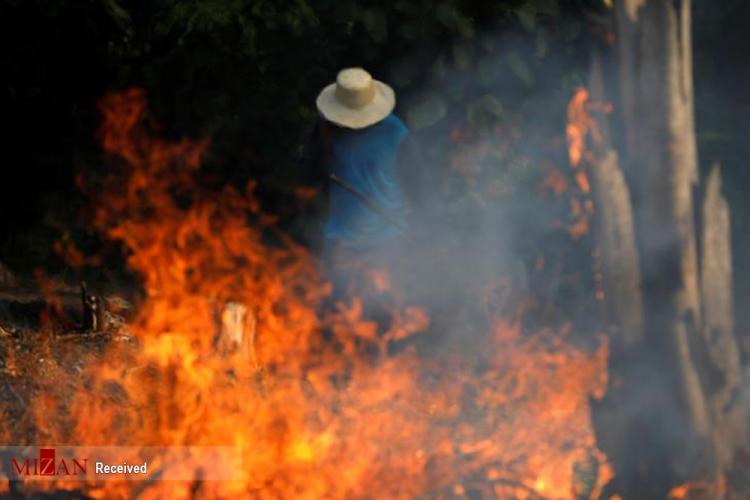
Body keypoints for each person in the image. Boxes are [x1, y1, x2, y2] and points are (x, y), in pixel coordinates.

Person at [305, 67, 417, 304]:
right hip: (342, 241)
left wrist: (417, 226)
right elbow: (311, 175)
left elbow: (418, 186)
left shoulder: (397, 134)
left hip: (388, 241)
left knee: (384, 313)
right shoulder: (328, 131)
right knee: (338, 312)